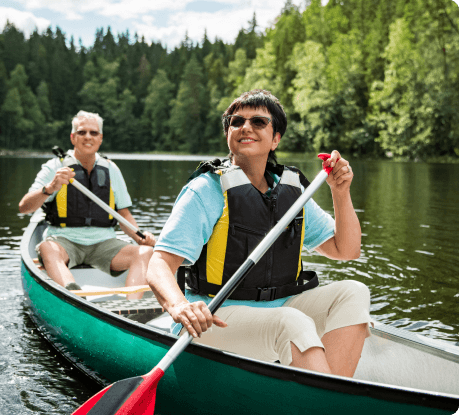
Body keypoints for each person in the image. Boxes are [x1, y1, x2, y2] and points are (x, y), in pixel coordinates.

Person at [146, 89, 371, 377]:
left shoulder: (292, 191)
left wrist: (341, 193)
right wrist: (179, 307)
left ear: (276, 138)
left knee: (353, 293)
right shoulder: (206, 190)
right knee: (291, 322)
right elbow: (159, 264)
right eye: (236, 121)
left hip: (279, 307)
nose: (245, 128)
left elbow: (346, 250)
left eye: (259, 122)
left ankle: (331, 396)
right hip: (216, 317)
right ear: (228, 133)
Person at [19, 110, 156, 299]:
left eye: (93, 133)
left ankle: (134, 308)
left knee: (145, 252)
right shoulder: (54, 167)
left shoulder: (111, 169)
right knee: (47, 248)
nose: (88, 137)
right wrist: (50, 187)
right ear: (73, 137)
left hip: (103, 243)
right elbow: (25, 207)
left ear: (100, 138)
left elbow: (123, 214)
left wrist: (140, 237)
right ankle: (74, 297)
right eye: (82, 132)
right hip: (64, 241)